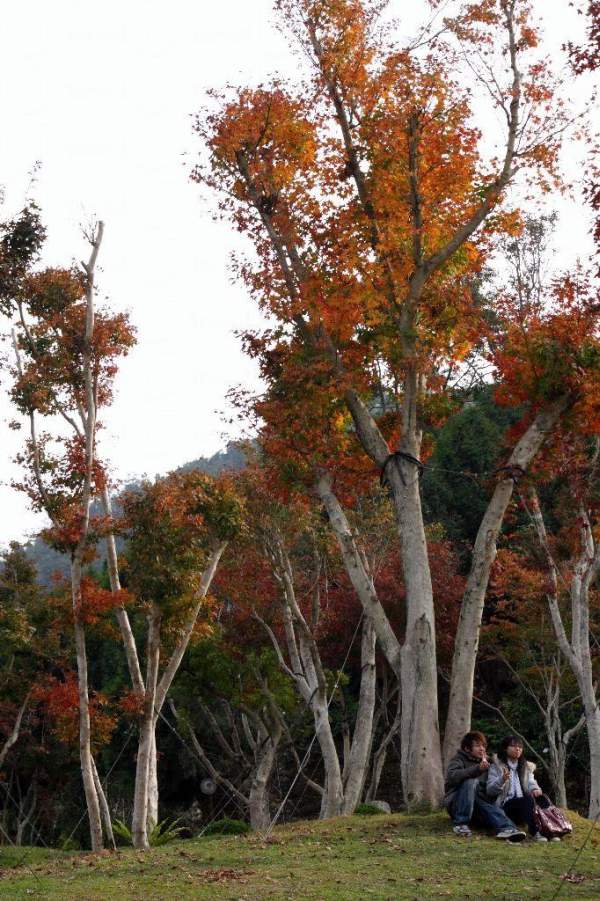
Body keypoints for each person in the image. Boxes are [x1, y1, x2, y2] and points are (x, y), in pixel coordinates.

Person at [444, 731, 526, 841]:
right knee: (471, 782)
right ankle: (460, 824)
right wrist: (477, 769)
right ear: (467, 748)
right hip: (457, 804)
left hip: (479, 806)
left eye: (483, 746)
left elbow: (492, 787)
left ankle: (507, 829)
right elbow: (452, 777)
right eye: (477, 746)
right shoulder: (458, 759)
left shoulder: (489, 762)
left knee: (483, 798)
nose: (482, 749)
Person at [486, 735, 558, 842]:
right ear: (505, 748)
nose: (517, 749)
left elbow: (531, 782)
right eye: (513, 746)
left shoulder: (524, 766)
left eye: (520, 747)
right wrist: (502, 779)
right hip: (506, 808)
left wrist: (535, 789)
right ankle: (535, 832)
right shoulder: (496, 766)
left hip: (524, 807)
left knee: (542, 798)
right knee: (527, 799)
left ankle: (550, 830)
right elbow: (490, 790)